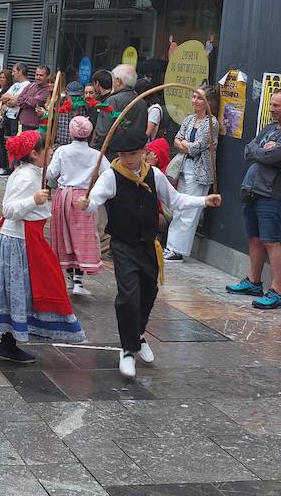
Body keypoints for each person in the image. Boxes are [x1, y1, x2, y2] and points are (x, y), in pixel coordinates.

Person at [78, 127, 222, 378]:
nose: (127, 159)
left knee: (149, 291)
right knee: (128, 295)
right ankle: (127, 349)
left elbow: (175, 201)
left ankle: (139, 333)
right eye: (123, 155)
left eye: (132, 154)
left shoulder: (154, 174)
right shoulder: (111, 176)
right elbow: (94, 202)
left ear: (144, 152)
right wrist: (85, 204)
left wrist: (203, 201)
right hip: (123, 244)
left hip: (148, 244)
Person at [0, 130, 84, 363]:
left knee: (9, 290)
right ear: (34, 153)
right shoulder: (26, 177)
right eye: (48, 149)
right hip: (17, 241)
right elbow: (9, 209)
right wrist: (34, 200)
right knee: (16, 291)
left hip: (25, 239)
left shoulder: (32, 172)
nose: (52, 151)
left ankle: (5, 340)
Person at [225, 89, 281, 310]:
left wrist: (260, 150)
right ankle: (254, 281)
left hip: (272, 192)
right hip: (251, 189)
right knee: (254, 238)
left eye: (277, 105)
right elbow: (248, 149)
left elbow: (269, 156)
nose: (272, 109)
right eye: (271, 105)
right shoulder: (270, 129)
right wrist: (260, 148)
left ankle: (277, 291)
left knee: (270, 240)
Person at [48, 115, 107, 295]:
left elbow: (50, 174)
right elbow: (108, 174)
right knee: (83, 238)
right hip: (84, 198)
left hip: (64, 197)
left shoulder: (62, 151)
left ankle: (69, 278)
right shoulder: (97, 155)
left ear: (71, 133)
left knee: (63, 236)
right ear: (89, 134)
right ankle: (78, 281)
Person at [164, 86, 219, 262]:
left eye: (199, 98)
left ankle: (178, 250)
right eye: (194, 97)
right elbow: (176, 140)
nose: (195, 101)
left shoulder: (212, 123)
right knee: (179, 207)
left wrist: (185, 145)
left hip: (199, 172)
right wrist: (186, 145)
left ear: (208, 103)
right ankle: (171, 246)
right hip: (184, 167)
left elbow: (197, 148)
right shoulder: (189, 119)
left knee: (190, 211)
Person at [102, 65, 148, 145]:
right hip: (134, 151)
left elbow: (103, 132)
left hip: (112, 152)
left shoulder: (112, 101)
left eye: (113, 80)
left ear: (118, 81)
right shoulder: (142, 103)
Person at [16, 66, 53, 132]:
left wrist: (25, 97)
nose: (38, 77)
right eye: (36, 75)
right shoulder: (30, 85)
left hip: (35, 127)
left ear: (47, 76)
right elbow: (19, 100)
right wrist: (30, 100)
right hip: (22, 124)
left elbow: (37, 102)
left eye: (41, 75)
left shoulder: (48, 90)